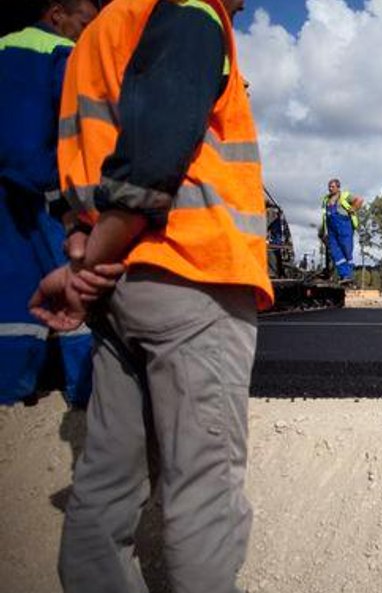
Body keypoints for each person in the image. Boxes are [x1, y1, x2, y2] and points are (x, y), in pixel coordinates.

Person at [29, 0, 273, 591]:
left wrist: (84, 257)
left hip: (120, 292)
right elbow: (153, 158)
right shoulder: (192, 12)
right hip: (193, 279)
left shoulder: (98, 35)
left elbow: (74, 168)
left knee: (105, 486)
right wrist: (100, 256)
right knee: (203, 489)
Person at [0, 0, 100, 406]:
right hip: (43, 183)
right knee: (75, 284)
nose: (85, 33)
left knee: (11, 289)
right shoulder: (64, 53)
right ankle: (86, 391)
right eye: (83, 23)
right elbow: (78, 125)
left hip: (6, 187)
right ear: (56, 14)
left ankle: (10, 389)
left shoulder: (4, 45)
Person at [319, 177, 363, 286]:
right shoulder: (326, 199)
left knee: (346, 249)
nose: (330, 188)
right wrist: (323, 231)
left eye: (332, 186)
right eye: (329, 186)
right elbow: (324, 215)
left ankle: (349, 275)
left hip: (344, 225)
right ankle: (344, 275)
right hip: (331, 227)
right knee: (335, 251)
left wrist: (353, 209)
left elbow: (359, 200)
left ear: (338, 187)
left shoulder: (344, 195)